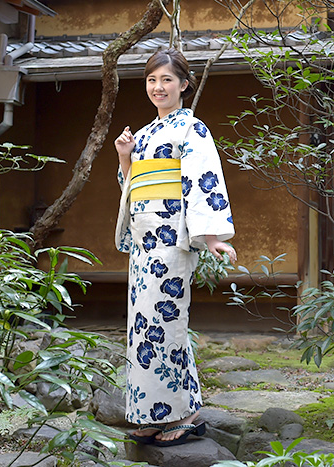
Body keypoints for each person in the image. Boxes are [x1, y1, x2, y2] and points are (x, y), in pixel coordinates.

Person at [114, 48, 236, 447]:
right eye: (152, 80)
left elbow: (203, 182)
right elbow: (132, 189)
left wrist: (213, 237)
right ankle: (154, 414)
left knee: (168, 326)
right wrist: (125, 158)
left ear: (184, 84)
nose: (158, 87)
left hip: (171, 240)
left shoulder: (192, 129)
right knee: (143, 328)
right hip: (145, 244)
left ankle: (185, 414)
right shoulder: (145, 134)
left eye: (166, 80)